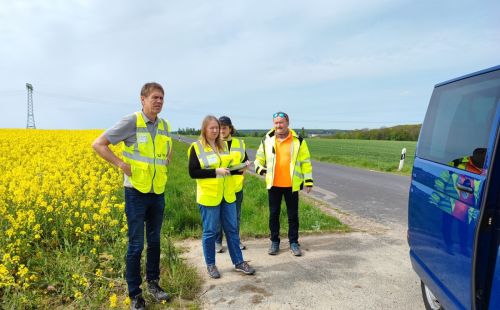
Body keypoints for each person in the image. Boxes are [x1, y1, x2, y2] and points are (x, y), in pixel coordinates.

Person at [92, 82, 172, 310]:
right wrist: (120, 164)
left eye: (161, 98)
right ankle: (135, 294)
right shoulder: (132, 121)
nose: (158, 101)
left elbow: (167, 151)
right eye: (155, 97)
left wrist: (166, 162)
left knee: (155, 241)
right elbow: (98, 144)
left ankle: (154, 284)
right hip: (136, 192)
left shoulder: (164, 125)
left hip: (157, 192)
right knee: (136, 244)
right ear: (143, 99)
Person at [188, 115, 255, 279]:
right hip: (209, 197)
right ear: (204, 129)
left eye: (217, 128)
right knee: (210, 232)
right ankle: (211, 265)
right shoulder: (196, 147)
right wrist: (215, 172)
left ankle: (239, 262)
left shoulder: (223, 145)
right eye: (212, 128)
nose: (215, 130)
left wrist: (241, 168)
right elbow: (193, 172)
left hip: (228, 195)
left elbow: (228, 169)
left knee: (232, 230)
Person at [254, 112, 313, 256]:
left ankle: (294, 242)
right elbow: (258, 160)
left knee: (293, 215)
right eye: (276, 123)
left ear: (288, 123)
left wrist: (308, 180)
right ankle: (274, 242)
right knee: (274, 214)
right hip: (273, 184)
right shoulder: (267, 139)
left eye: (281, 122)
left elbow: (306, 162)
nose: (278, 125)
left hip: (291, 185)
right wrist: (261, 170)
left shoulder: (298, 140)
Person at [215, 116, 249, 253]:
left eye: (224, 128)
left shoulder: (240, 144)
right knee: (218, 217)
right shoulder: (213, 143)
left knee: (235, 216)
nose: (221, 131)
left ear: (230, 128)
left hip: (236, 186)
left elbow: (245, 163)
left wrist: (243, 172)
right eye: (219, 128)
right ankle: (218, 242)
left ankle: (235, 240)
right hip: (219, 186)